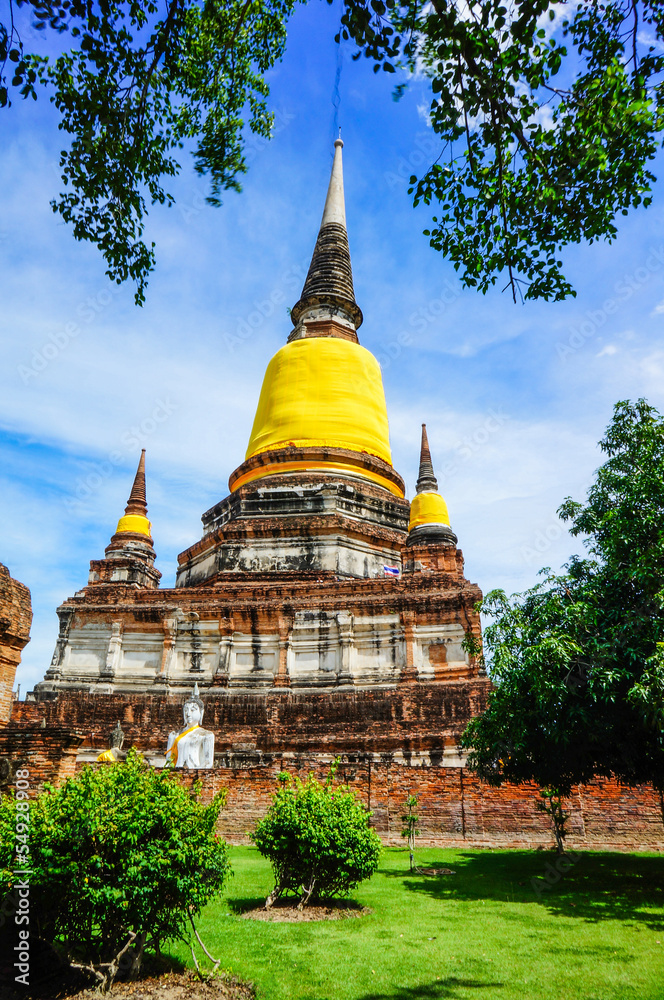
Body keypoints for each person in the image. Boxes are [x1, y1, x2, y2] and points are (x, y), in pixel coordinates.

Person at [165, 683, 215, 768]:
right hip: (175, 774)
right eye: (186, 710)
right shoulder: (174, 735)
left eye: (192, 710)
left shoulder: (206, 735)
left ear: (201, 713)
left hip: (194, 774)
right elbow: (168, 762)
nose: (188, 714)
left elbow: (208, 763)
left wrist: (193, 773)